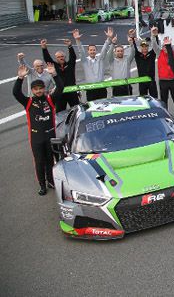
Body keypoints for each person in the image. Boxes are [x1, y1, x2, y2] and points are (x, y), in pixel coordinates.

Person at [13, 63, 62, 195]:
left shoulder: (50, 100)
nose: (39, 91)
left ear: (44, 89)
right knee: (39, 162)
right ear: (32, 90)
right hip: (36, 138)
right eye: (36, 89)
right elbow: (16, 93)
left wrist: (54, 75)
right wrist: (20, 78)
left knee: (51, 160)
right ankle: (42, 185)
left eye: (40, 88)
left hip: (50, 136)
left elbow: (60, 88)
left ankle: (51, 181)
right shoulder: (28, 102)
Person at [74, 27, 113, 101]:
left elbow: (104, 50)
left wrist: (108, 38)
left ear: (96, 51)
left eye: (94, 50)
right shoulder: (85, 61)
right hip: (90, 90)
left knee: (103, 105)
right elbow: (81, 51)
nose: (92, 51)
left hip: (101, 88)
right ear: (88, 51)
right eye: (91, 50)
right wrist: (77, 40)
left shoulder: (100, 60)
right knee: (92, 107)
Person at [41, 38, 78, 110]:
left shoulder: (70, 65)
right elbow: (47, 59)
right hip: (60, 92)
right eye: (58, 57)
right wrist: (44, 48)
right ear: (56, 58)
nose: (61, 58)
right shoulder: (54, 66)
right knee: (60, 112)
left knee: (76, 110)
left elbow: (73, 57)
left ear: (65, 57)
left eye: (62, 56)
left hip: (71, 91)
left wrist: (70, 46)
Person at [158, 25, 174, 119]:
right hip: (163, 81)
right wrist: (153, 35)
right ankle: (165, 118)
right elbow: (154, 44)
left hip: (173, 80)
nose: (165, 48)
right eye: (164, 46)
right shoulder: (159, 53)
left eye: (166, 46)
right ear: (162, 47)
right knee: (164, 101)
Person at [131, 28, 161, 98]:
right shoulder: (138, 56)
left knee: (154, 99)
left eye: (146, 46)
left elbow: (156, 46)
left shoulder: (152, 54)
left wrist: (155, 36)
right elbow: (134, 48)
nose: (144, 48)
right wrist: (132, 37)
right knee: (143, 99)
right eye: (143, 46)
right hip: (142, 82)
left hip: (151, 81)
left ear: (148, 47)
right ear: (140, 47)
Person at [107, 29, 136, 96]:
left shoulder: (127, 60)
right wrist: (113, 43)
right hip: (116, 86)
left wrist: (131, 44)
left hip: (127, 86)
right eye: (118, 51)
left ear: (123, 51)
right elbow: (109, 54)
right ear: (115, 52)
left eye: (121, 51)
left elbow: (133, 52)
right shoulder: (112, 61)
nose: (120, 52)